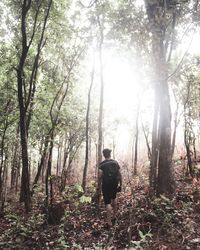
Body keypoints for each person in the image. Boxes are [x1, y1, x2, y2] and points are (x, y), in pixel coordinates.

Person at [98, 148, 122, 228]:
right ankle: (115, 216)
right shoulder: (115, 163)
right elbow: (120, 174)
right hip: (114, 184)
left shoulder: (102, 164)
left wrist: (99, 186)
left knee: (107, 203)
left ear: (104, 155)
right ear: (110, 154)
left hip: (106, 185)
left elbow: (100, 176)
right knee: (114, 198)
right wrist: (120, 184)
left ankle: (109, 222)